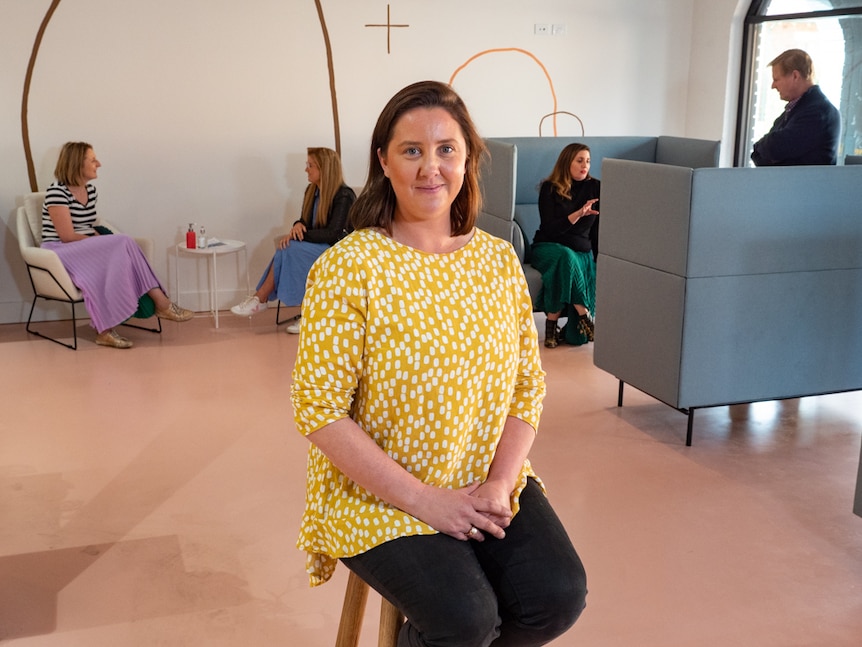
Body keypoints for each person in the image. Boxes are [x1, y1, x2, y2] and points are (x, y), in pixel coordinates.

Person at [291, 81, 587, 647]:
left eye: (446, 149)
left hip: (482, 478)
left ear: (469, 158)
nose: (431, 168)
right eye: (412, 150)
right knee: (465, 620)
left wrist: (501, 484)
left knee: (557, 596)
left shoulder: (499, 261)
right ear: (383, 159)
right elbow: (318, 409)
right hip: (376, 496)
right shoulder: (350, 268)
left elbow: (528, 387)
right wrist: (427, 501)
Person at [41, 142, 193, 349]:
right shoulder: (56, 192)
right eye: (93, 159)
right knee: (122, 240)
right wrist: (104, 242)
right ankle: (163, 303)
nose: (99, 163)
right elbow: (66, 235)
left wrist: (102, 241)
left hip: (82, 247)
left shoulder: (90, 191)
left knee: (118, 253)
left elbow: (87, 226)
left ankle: (104, 331)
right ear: (77, 163)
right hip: (59, 250)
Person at [229, 147, 356, 333]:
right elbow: (306, 222)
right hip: (319, 247)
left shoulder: (344, 195)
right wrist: (297, 225)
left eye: (310, 165)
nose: (306, 169)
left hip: (338, 250)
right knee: (287, 247)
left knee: (288, 248)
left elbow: (334, 233)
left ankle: (261, 299)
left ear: (324, 168)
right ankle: (291, 309)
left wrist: (300, 235)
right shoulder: (312, 191)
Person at [530, 143, 600, 348]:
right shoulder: (550, 188)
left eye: (587, 161)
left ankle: (552, 325)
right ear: (566, 162)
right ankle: (584, 314)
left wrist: (597, 260)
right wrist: (578, 214)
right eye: (579, 160)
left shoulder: (596, 188)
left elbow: (596, 230)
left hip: (580, 253)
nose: (584, 165)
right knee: (564, 257)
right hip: (548, 248)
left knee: (576, 338)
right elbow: (550, 229)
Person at [751, 48, 841, 166]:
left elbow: (775, 149)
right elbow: (757, 155)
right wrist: (764, 148)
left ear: (795, 76)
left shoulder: (818, 112)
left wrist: (764, 147)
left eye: (776, 79)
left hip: (804, 183)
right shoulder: (795, 110)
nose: (773, 86)